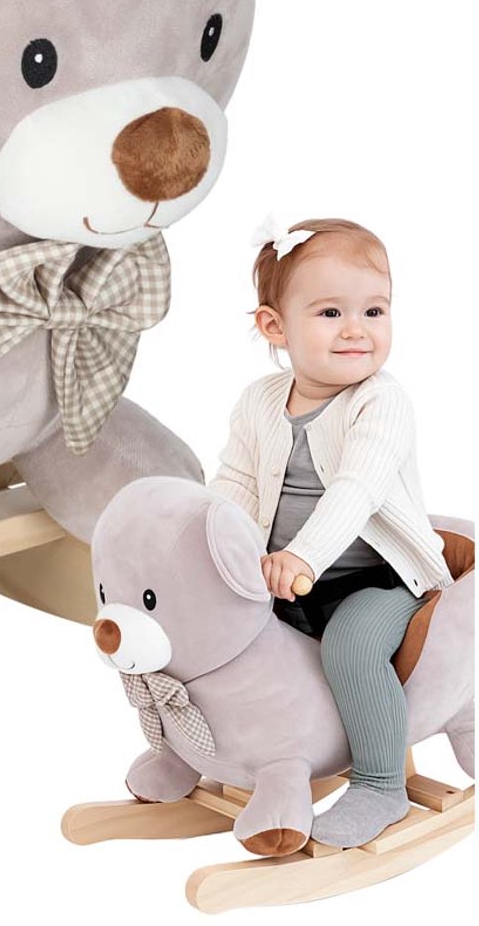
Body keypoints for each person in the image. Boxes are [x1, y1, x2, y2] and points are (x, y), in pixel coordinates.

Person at [209, 216, 452, 847]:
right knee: (220, 638)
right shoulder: (259, 401)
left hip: (380, 580)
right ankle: (240, 754)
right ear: (275, 327)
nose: (356, 329)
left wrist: (303, 556)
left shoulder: (381, 401)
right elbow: (235, 483)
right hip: (287, 577)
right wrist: (216, 546)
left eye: (374, 310)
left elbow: (357, 489)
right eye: (329, 313)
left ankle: (380, 784)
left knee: (349, 647)